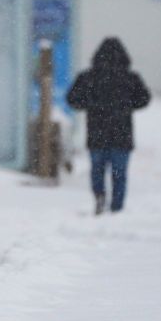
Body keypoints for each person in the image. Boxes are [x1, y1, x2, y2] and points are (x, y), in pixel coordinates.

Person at [66, 37, 151, 214]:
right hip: (122, 133)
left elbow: (72, 99)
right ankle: (117, 206)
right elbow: (144, 99)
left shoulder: (88, 77)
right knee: (119, 173)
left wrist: (91, 104)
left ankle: (99, 196)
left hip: (97, 133)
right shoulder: (130, 78)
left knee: (97, 170)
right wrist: (127, 105)